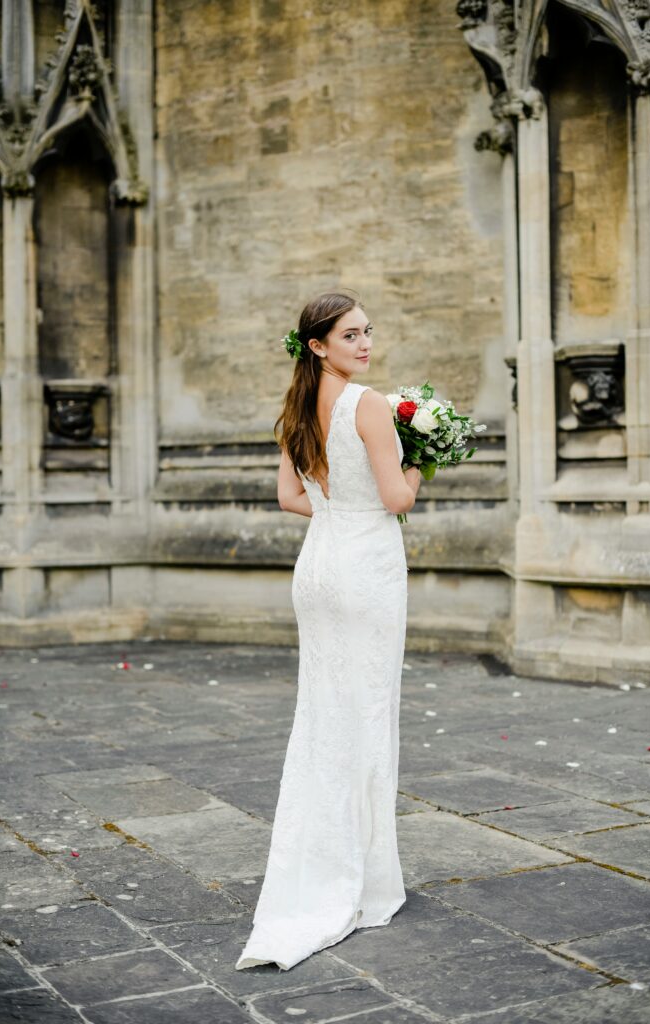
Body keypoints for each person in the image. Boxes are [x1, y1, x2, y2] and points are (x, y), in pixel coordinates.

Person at [234, 291, 422, 971]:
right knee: (365, 715)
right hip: (365, 569)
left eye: (367, 332)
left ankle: (318, 865)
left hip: (317, 570)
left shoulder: (293, 411)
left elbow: (291, 499)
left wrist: (339, 506)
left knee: (323, 720)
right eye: (350, 335)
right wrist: (420, 463)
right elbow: (396, 499)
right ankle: (364, 881)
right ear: (317, 345)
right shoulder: (368, 404)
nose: (364, 344)